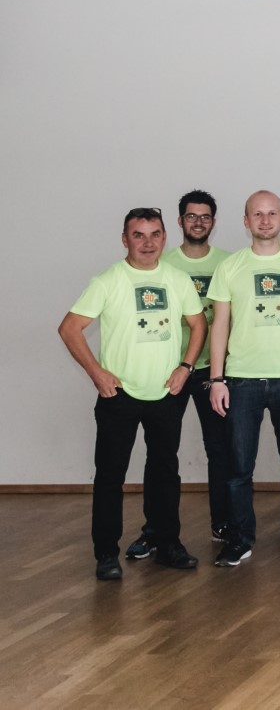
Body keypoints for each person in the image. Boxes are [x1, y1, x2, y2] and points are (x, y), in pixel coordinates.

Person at [59, 207, 205, 579]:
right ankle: (106, 554)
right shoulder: (107, 280)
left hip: (165, 393)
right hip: (119, 396)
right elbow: (70, 328)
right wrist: (97, 373)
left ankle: (167, 544)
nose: (147, 243)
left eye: (155, 234)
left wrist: (185, 367)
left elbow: (198, 323)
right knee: (110, 476)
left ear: (164, 238)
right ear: (124, 239)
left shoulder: (177, 279)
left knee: (165, 472)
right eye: (138, 235)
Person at [206, 190, 280, 564]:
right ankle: (240, 539)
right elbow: (219, 325)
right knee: (238, 469)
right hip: (241, 381)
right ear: (246, 221)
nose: (265, 220)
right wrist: (217, 379)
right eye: (257, 214)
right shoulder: (230, 267)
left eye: (272, 213)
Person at [151, 190, 233, 553]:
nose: (198, 222)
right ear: (180, 220)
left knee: (221, 450)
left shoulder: (228, 263)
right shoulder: (163, 264)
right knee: (161, 452)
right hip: (172, 371)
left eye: (205, 217)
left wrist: (221, 371)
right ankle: (155, 531)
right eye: (191, 216)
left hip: (213, 371)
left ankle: (223, 524)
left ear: (213, 222)